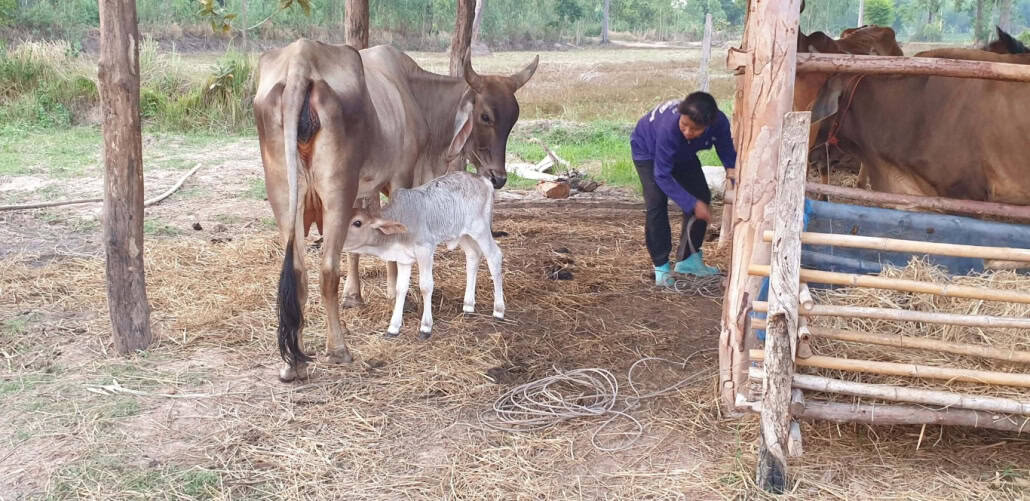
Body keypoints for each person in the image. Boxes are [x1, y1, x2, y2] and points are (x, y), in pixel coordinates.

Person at [629, 91, 737, 287]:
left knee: (702, 195)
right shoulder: (669, 129)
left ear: (709, 123)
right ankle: (661, 267)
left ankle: (688, 260)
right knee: (656, 202)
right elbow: (662, 175)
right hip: (649, 151)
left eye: (695, 129)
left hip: (683, 153)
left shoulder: (719, 122)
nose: (688, 131)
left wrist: (732, 170)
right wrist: (691, 203)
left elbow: (725, 147)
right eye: (684, 125)